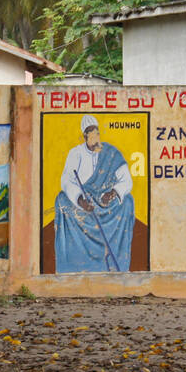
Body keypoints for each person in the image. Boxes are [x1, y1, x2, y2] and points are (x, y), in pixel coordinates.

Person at [53, 114, 134, 272]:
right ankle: (75, 265)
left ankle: (117, 263)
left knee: (128, 201)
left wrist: (113, 193)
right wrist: (80, 200)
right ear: (84, 136)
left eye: (96, 133)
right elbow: (66, 181)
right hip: (85, 202)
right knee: (61, 200)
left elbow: (127, 180)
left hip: (106, 204)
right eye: (91, 134)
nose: (95, 139)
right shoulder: (75, 154)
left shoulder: (110, 153)